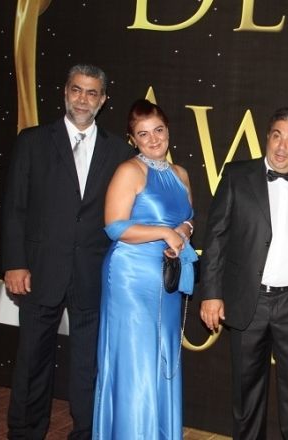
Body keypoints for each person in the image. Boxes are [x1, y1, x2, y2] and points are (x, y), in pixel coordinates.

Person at [2, 64, 135, 439]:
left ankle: (86, 432)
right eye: (77, 90)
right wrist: (15, 263)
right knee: (32, 361)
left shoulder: (119, 151)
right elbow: (15, 208)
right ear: (65, 92)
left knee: (88, 366)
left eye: (92, 93)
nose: (83, 99)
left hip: (92, 274)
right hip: (40, 270)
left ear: (103, 100)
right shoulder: (32, 142)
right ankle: (25, 432)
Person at [199, 107, 288, 439]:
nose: (282, 146)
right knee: (246, 395)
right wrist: (211, 294)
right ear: (266, 138)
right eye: (276, 136)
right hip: (248, 301)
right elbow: (215, 239)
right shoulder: (236, 175)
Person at [92, 99, 196, 439]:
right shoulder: (130, 171)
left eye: (158, 130)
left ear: (168, 130)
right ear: (132, 139)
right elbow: (114, 227)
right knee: (137, 360)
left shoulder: (180, 174)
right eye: (143, 133)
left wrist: (184, 230)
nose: (153, 139)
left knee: (163, 357)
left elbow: (188, 219)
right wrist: (164, 232)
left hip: (165, 277)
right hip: (131, 277)